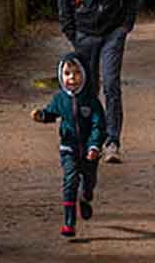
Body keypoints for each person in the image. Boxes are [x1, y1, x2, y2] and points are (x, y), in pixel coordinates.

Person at [57, 0, 141, 162]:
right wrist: (69, 29)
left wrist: (126, 26)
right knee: (87, 87)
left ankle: (112, 141)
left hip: (113, 32)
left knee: (112, 84)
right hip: (84, 32)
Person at [32, 51, 108, 238]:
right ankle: (69, 223)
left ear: (84, 74)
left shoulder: (91, 100)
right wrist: (42, 116)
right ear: (61, 76)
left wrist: (94, 146)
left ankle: (86, 196)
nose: (71, 78)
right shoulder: (60, 99)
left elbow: (99, 125)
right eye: (67, 73)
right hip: (69, 147)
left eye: (76, 73)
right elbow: (52, 112)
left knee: (89, 180)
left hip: (90, 150)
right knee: (70, 180)